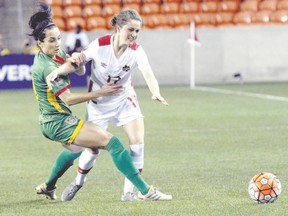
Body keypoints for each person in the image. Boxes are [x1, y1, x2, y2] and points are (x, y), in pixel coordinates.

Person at [30, 3, 172, 202]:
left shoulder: (56, 54)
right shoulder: (48, 66)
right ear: (40, 43)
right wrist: (100, 92)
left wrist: (77, 61)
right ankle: (142, 189)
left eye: (59, 38)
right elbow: (69, 99)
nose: (58, 44)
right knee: (107, 144)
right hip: (59, 120)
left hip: (117, 100)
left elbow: (75, 65)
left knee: (83, 149)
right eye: (53, 40)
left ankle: (50, 186)